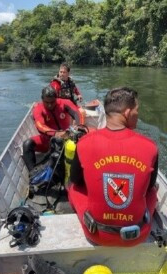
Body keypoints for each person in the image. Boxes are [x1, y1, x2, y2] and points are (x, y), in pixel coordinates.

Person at [68, 87, 158, 247]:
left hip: (97, 234)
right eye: (137, 110)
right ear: (128, 112)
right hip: (137, 235)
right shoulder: (150, 147)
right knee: (154, 191)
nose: (138, 115)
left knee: (73, 187)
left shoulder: (84, 143)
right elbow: (149, 187)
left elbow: (76, 180)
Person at [22, 86, 84, 172]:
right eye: (46, 102)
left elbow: (77, 113)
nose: (50, 105)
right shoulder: (38, 109)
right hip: (48, 141)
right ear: (42, 99)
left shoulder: (65, 103)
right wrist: (55, 133)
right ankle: (33, 175)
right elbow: (40, 126)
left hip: (68, 137)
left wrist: (79, 125)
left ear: (56, 98)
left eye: (52, 102)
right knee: (27, 144)